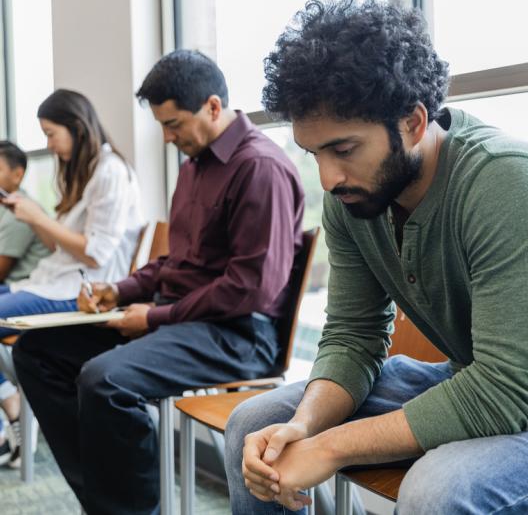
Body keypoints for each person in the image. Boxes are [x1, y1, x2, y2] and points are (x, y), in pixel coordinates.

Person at [225, 0, 528, 514]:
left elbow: (510, 388)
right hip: (471, 374)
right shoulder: (355, 198)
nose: (327, 178)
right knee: (254, 426)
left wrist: (330, 447)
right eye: (314, 153)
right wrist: (304, 427)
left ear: (412, 122)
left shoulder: (511, 181)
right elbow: (352, 337)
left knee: (440, 489)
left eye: (343, 149)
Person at [13, 50, 305, 515]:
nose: (167, 138)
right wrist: (123, 291)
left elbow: (252, 288)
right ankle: (106, 501)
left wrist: (154, 315)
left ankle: (125, 508)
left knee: (105, 380)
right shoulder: (193, 167)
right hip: (182, 320)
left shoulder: (259, 169)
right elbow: (176, 261)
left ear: (213, 106)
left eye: (174, 125)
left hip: (236, 334)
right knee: (38, 353)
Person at [0, 88, 144, 469]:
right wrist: (32, 217)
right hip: (56, 279)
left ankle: (12, 413)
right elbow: (59, 248)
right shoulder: (88, 174)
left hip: (84, 290)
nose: (48, 144)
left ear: (76, 128)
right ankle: (11, 412)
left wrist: (40, 218)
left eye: (51, 133)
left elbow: (96, 252)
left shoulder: (110, 172)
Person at [0, 141, 51, 467]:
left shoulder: (20, 211)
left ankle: (9, 401)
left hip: (28, 291)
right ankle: (8, 403)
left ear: (18, 174)